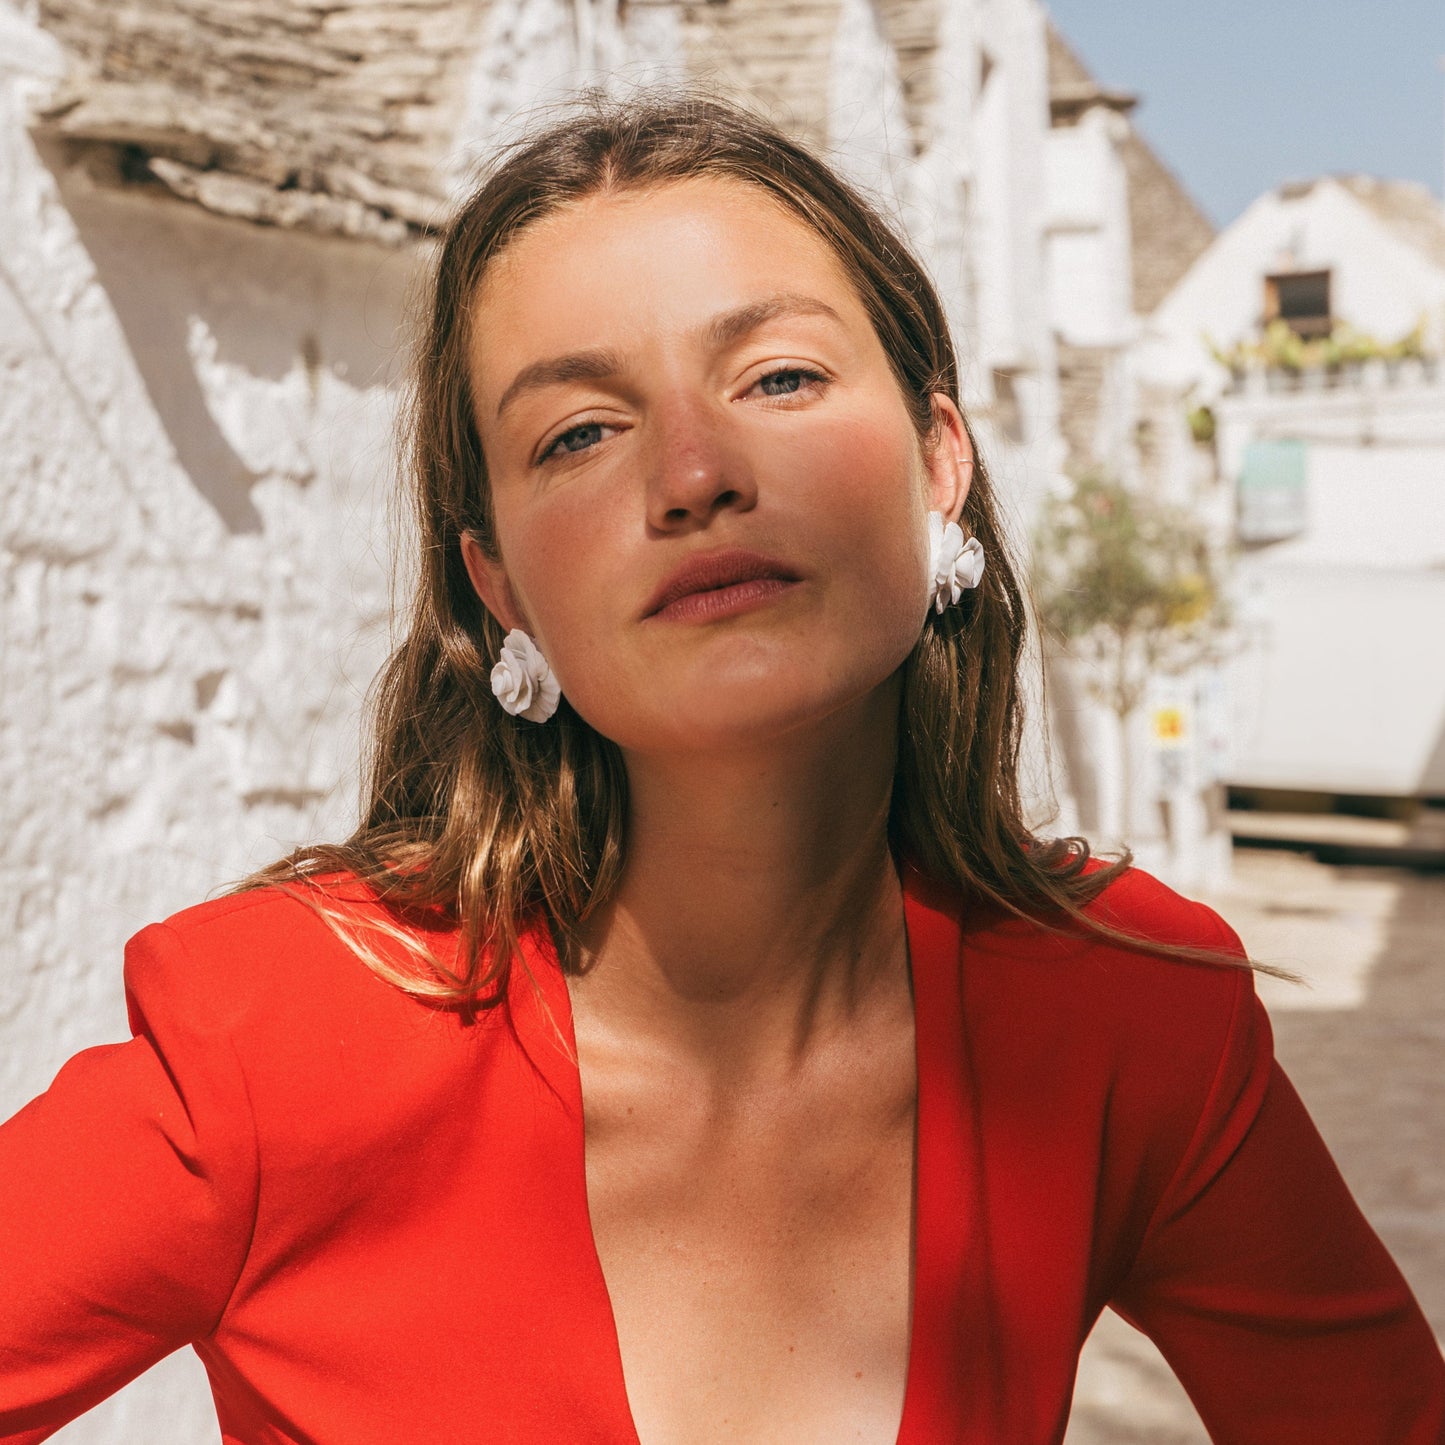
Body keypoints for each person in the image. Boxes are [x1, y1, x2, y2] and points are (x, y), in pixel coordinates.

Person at [1, 88, 1441, 1445]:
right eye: (577, 430)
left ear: (938, 458)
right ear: (499, 582)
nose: (693, 470)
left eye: (780, 375)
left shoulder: (1126, 1015)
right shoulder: (278, 1041)